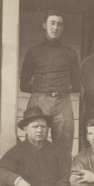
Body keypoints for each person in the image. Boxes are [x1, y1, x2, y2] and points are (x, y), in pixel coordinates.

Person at [20, 10, 80, 155]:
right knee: (35, 142)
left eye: (59, 24)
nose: (55, 27)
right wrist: (42, 92)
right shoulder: (34, 51)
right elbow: (24, 84)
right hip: (40, 100)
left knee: (64, 145)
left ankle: (61, 178)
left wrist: (59, 91)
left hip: (62, 102)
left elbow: (76, 84)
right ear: (44, 26)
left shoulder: (70, 53)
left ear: (63, 28)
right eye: (52, 23)